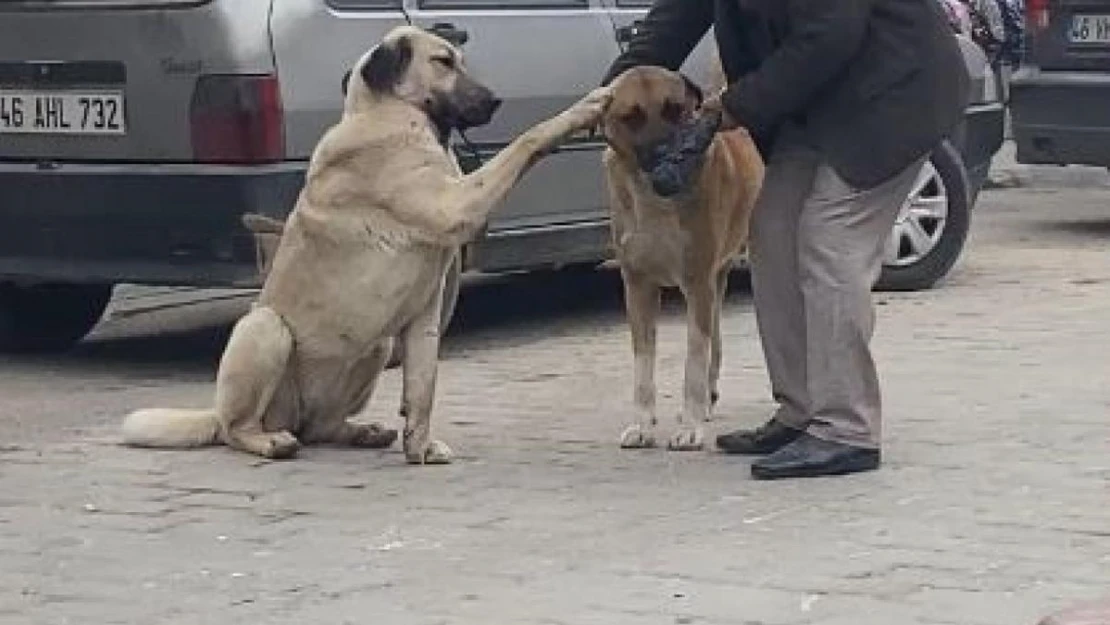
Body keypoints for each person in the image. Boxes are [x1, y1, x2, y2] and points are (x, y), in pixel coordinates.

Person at [601, 0, 970, 480]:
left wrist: (735, 104)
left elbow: (829, 34)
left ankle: (845, 428)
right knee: (772, 230)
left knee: (828, 240)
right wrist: (608, 92)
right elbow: (673, 20)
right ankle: (800, 411)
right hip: (818, 102)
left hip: (894, 94)